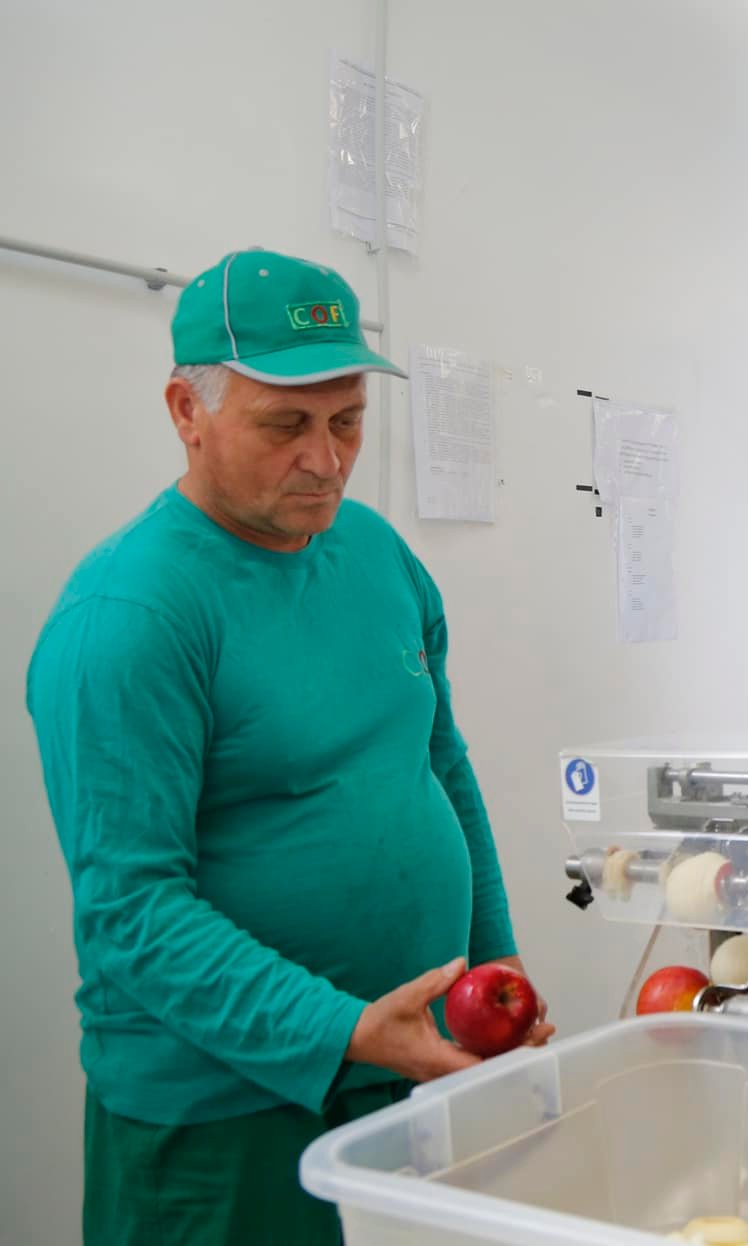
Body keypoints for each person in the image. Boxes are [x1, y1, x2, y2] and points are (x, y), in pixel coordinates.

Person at [25, 249, 550, 1246]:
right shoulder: (129, 616)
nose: (326, 459)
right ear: (187, 410)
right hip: (222, 1121)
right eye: (285, 425)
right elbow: (132, 912)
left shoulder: (376, 552)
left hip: (407, 1076)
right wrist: (343, 1028)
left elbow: (439, 763)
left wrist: (496, 962)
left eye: (347, 420)